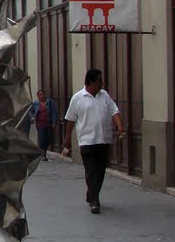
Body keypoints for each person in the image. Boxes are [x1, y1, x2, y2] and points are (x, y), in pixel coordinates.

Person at [62, 69, 126, 214]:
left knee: (100, 171)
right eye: (99, 81)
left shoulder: (104, 95)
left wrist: (120, 126)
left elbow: (114, 111)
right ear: (91, 82)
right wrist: (67, 139)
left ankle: (91, 194)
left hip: (104, 139)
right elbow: (70, 120)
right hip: (87, 141)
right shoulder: (78, 98)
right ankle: (94, 201)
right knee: (91, 171)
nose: (102, 84)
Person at [28, 89, 58, 161]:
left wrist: (54, 122)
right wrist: (32, 117)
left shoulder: (50, 102)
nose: (41, 96)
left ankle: (43, 150)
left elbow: (54, 112)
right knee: (42, 139)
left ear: (45, 94)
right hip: (40, 124)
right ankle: (43, 154)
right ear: (38, 96)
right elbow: (30, 111)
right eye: (39, 95)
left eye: (42, 94)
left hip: (49, 124)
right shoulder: (36, 103)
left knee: (49, 139)